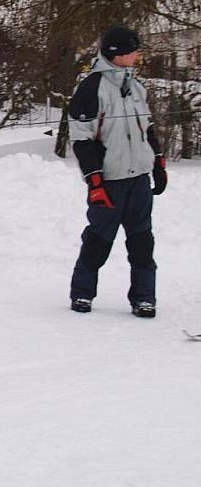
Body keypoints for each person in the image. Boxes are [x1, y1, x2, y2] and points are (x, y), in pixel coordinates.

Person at [68, 25, 167, 317]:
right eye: (133, 50)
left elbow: (147, 128)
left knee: (142, 243)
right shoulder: (91, 88)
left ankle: (144, 298)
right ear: (117, 54)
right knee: (98, 241)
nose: (138, 54)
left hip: (138, 179)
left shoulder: (137, 87)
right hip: (109, 181)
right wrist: (94, 181)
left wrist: (158, 162)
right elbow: (82, 140)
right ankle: (82, 293)